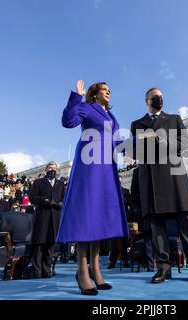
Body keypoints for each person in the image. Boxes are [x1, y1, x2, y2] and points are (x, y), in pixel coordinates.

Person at [129, 87, 188, 284]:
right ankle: (163, 268)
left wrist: (160, 140)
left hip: (174, 175)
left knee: (186, 223)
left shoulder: (174, 119)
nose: (159, 99)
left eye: (161, 97)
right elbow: (135, 150)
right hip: (150, 177)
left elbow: (183, 143)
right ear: (146, 101)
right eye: (155, 97)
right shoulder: (137, 124)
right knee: (157, 226)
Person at [56, 81, 129, 295]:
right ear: (94, 93)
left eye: (110, 90)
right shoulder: (87, 107)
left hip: (107, 167)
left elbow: (117, 142)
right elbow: (68, 122)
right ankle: (82, 270)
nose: (109, 92)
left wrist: (138, 144)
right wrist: (76, 97)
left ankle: (96, 269)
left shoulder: (112, 117)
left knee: (98, 216)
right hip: (88, 166)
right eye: (104, 89)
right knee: (86, 215)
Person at [29, 162, 66, 279]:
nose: (53, 170)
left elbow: (64, 198)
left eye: (55, 168)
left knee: (50, 244)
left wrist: (60, 204)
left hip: (55, 217)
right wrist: (45, 201)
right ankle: (37, 271)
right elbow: (32, 197)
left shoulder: (60, 184)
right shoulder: (38, 182)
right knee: (39, 244)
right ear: (46, 169)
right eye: (51, 168)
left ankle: (47, 270)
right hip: (42, 216)